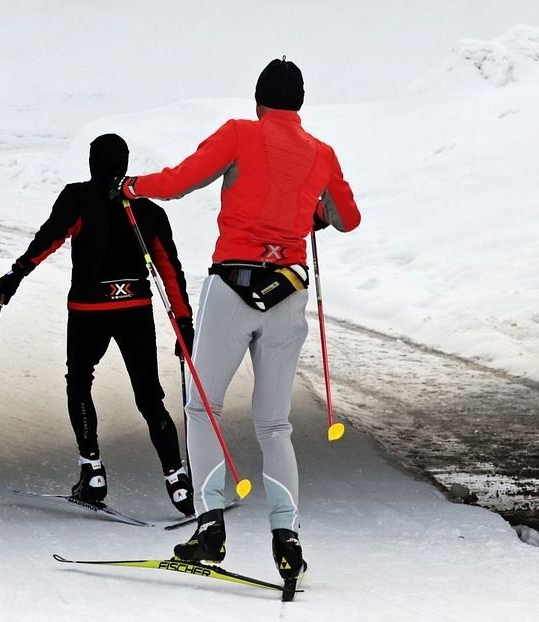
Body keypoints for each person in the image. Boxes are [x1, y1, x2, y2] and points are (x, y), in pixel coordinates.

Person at [110, 59, 361, 580]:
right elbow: (347, 218)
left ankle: (210, 528)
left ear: (259, 101)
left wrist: (132, 186)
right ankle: (287, 539)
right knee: (274, 423)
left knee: (204, 407)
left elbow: (180, 182)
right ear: (299, 105)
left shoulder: (240, 134)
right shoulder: (322, 152)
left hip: (232, 288)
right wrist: (314, 213)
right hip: (288, 292)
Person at [0, 133, 196, 516]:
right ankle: (178, 481)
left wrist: (14, 276)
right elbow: (170, 270)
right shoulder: (147, 210)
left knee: (79, 382)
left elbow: (48, 240)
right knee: (150, 397)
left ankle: (93, 472)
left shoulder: (78, 197)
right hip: (135, 307)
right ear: (125, 163)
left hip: (88, 310)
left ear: (91, 163)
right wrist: (183, 322)